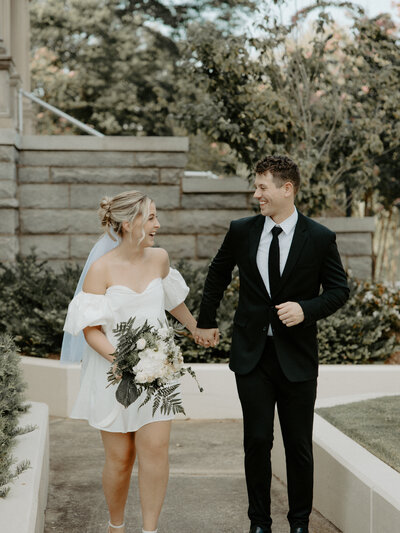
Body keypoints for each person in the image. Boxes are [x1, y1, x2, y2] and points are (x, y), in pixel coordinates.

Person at [195, 155, 350, 533]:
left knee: (298, 445)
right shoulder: (242, 231)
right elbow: (217, 273)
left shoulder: (319, 237)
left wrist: (306, 309)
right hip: (252, 357)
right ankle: (259, 524)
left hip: (297, 358)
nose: (256, 194)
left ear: (287, 189)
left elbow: (338, 290)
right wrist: (206, 320)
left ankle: (299, 524)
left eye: (262, 187)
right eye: (256, 186)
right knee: (257, 441)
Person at [62, 191, 198, 533]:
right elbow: (90, 330)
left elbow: (171, 300)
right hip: (114, 374)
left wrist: (197, 329)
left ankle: (150, 530)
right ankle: (116, 526)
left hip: (158, 371)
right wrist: (122, 361)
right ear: (128, 223)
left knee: (156, 451)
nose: (158, 224)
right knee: (121, 460)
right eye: (151, 217)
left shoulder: (159, 259)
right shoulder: (100, 269)